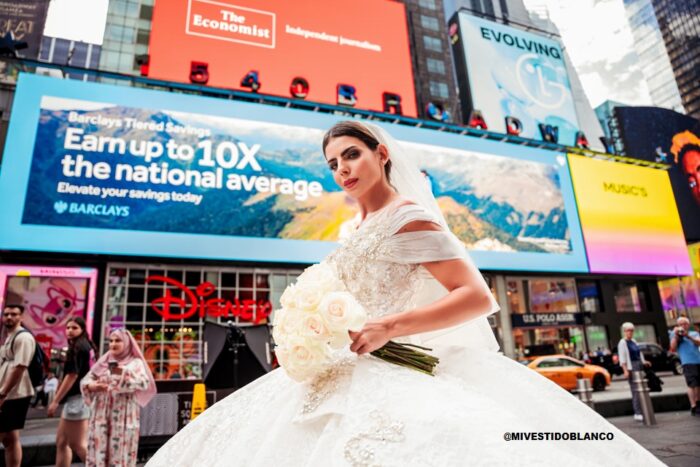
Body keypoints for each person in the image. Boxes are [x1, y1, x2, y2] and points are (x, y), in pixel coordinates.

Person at [146, 121, 663, 466]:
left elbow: (477, 295)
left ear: (382, 154)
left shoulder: (408, 217)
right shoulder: (355, 228)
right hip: (343, 367)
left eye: (352, 154)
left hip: (394, 364)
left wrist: (388, 327)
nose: (343, 168)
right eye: (333, 163)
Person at [81, 329, 156, 466]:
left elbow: (144, 383)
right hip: (101, 415)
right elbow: (86, 381)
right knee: (99, 451)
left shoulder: (135, 363)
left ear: (127, 343)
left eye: (118, 340)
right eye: (111, 341)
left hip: (124, 414)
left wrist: (123, 373)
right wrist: (92, 386)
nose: (113, 344)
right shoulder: (104, 361)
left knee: (120, 451)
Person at [47, 316, 96, 467]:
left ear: (82, 330)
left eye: (74, 328)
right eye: (68, 328)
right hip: (78, 398)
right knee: (62, 442)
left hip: (77, 399)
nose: (70, 331)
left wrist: (55, 401)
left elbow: (72, 376)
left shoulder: (78, 348)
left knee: (77, 444)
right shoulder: (85, 346)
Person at [0, 305, 36, 467]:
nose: (9, 317)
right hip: (9, 394)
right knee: (10, 438)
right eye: (6, 314)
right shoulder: (10, 336)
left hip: (14, 394)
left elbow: (20, 367)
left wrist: (3, 393)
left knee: (8, 438)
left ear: (21, 317)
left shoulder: (24, 338)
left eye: (14, 314)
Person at [617, 322, 651, 422]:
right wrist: (625, 370)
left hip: (639, 366)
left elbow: (638, 353)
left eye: (632, 330)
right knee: (635, 391)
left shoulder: (634, 341)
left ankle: (643, 409)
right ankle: (637, 412)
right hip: (631, 367)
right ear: (624, 331)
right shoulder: (622, 342)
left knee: (641, 389)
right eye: (628, 330)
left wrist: (644, 362)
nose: (630, 332)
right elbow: (622, 357)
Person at [669, 316, 700, 416]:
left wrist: (688, 336)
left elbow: (698, 342)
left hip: (698, 361)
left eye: (685, 324)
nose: (683, 326)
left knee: (698, 384)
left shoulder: (694, 333)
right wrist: (676, 336)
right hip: (687, 362)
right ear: (678, 326)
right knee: (692, 384)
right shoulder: (675, 335)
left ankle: (697, 403)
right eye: (681, 324)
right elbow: (672, 348)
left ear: (688, 324)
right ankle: (693, 405)